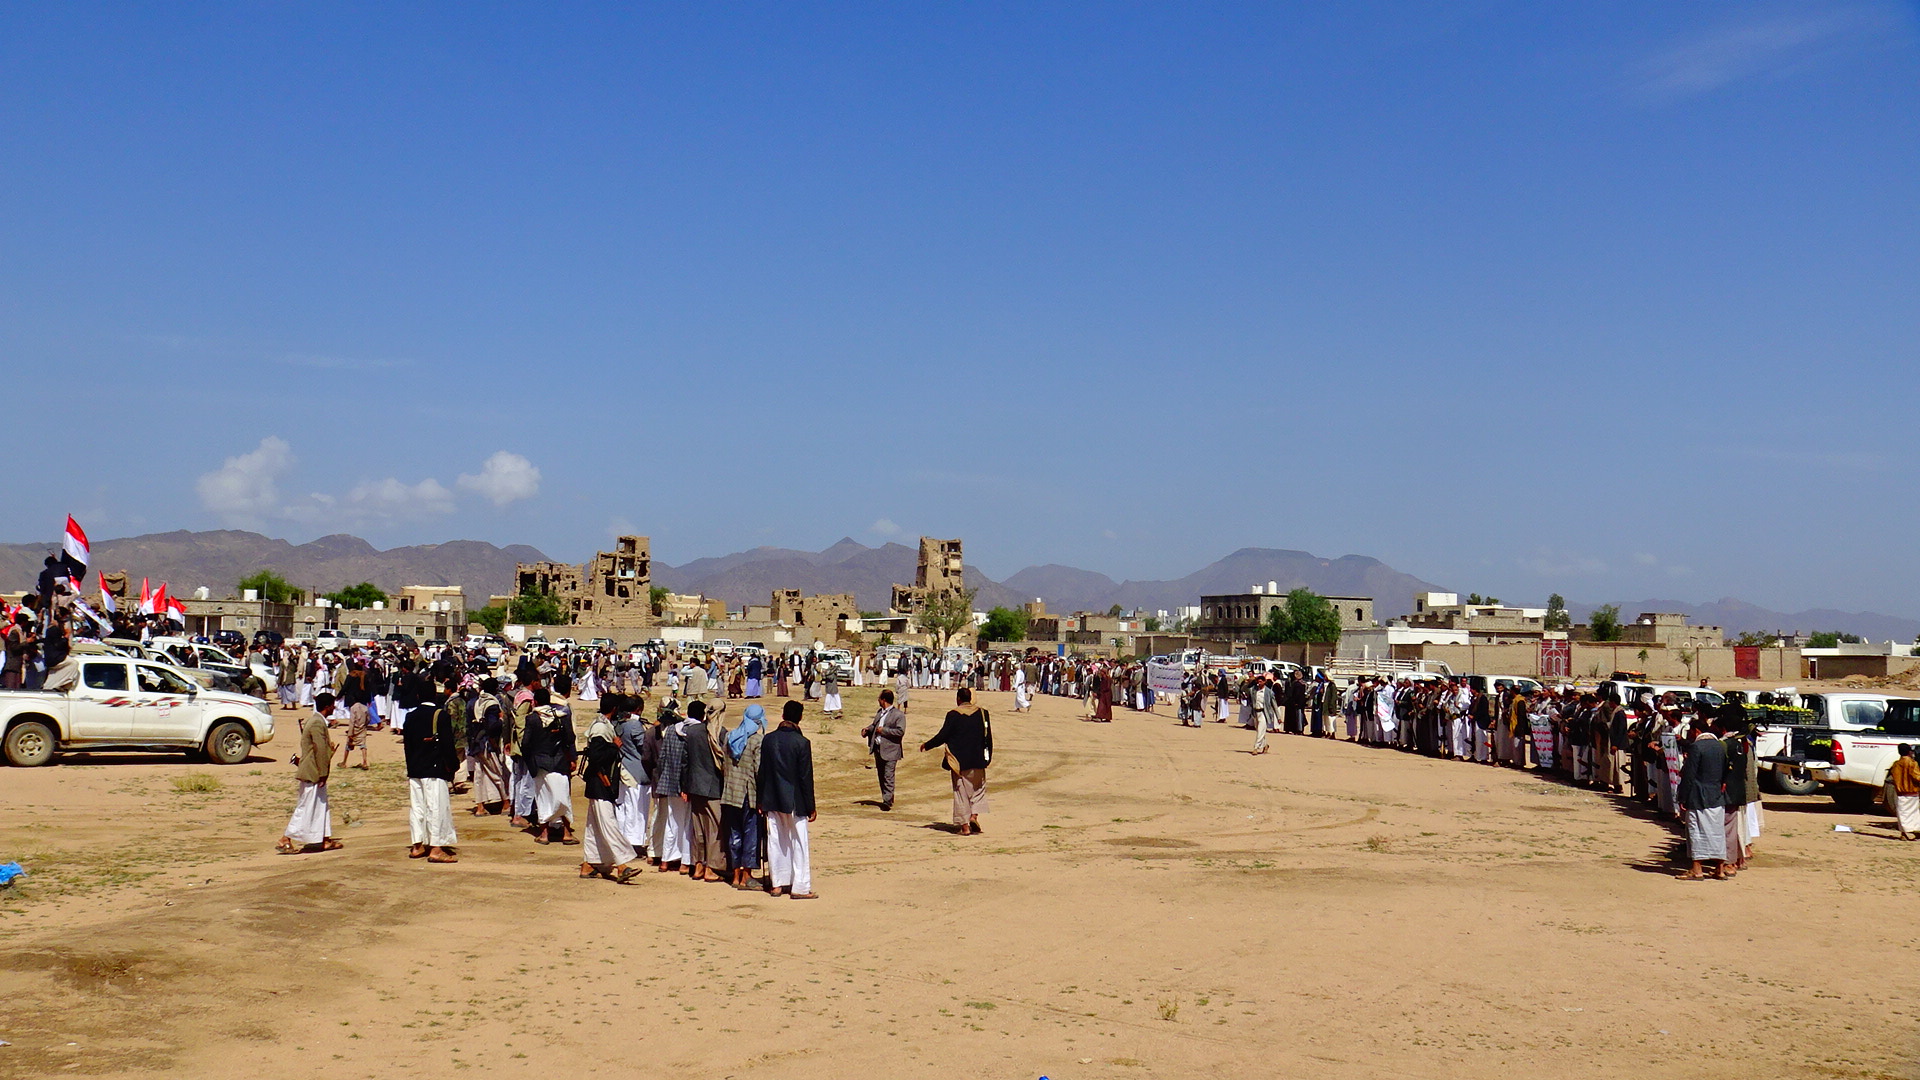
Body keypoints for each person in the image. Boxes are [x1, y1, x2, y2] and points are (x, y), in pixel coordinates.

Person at [759, 699, 816, 899]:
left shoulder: (768, 739)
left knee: (776, 841)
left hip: (772, 798)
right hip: (794, 800)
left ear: (783, 715)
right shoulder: (802, 743)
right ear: (800, 718)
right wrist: (810, 806)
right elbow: (805, 777)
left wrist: (761, 800)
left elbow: (762, 771)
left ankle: (777, 884)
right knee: (799, 842)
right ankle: (800, 887)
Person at [578, 711, 641, 882]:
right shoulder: (600, 729)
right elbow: (596, 758)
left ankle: (589, 865)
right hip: (600, 787)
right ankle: (622, 865)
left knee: (594, 829)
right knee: (609, 825)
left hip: (600, 787)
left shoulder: (604, 727)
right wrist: (614, 747)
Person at [402, 675, 459, 863]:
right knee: (436, 807)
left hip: (415, 769)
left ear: (418, 696)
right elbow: (448, 745)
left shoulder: (410, 717)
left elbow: (407, 746)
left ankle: (417, 846)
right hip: (434, 769)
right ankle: (436, 848)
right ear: (435, 695)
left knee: (417, 808)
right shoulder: (440, 715)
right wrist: (453, 765)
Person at [278, 691, 343, 854]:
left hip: (314, 770)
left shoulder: (317, 721)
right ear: (327, 707)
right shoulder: (317, 723)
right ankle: (285, 839)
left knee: (321, 806)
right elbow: (319, 749)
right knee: (306, 806)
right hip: (313, 771)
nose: (334, 708)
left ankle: (325, 839)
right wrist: (323, 772)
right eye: (332, 705)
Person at [922, 687, 992, 836]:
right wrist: (987, 758)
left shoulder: (953, 715)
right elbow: (988, 737)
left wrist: (927, 745)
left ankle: (965, 827)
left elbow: (943, 736)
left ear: (958, 699)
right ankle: (974, 816)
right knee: (978, 790)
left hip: (958, 762)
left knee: (961, 793)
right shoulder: (983, 713)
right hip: (978, 759)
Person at [522, 688, 577, 845]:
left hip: (540, 764)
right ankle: (566, 833)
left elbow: (525, 743)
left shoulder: (532, 719)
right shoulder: (561, 716)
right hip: (560, 762)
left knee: (543, 798)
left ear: (535, 702)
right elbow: (570, 738)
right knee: (563, 797)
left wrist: (530, 760)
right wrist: (571, 758)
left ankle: (544, 834)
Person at [721, 703, 766, 890]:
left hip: (730, 792)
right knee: (751, 834)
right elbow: (759, 770)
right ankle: (746, 875)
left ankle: (735, 874)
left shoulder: (730, 736)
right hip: (749, 794)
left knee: (734, 834)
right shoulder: (757, 740)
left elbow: (723, 764)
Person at [681, 700, 727, 883]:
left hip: (694, 785)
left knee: (698, 829)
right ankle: (711, 868)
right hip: (714, 787)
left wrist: (685, 786)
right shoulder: (721, 733)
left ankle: (698, 865)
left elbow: (685, 762)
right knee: (715, 829)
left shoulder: (692, 732)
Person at [1678, 724, 1729, 880]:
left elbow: (1689, 774)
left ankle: (1697, 869)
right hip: (1717, 796)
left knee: (1696, 832)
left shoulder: (1696, 747)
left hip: (1698, 796)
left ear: (1697, 731)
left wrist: (1682, 797)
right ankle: (1720, 869)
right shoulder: (1720, 746)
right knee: (1717, 833)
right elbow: (1726, 770)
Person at [861, 689, 907, 810]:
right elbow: (874, 725)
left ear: (884, 700)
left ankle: (887, 801)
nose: (878, 700)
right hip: (878, 749)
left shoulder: (898, 715)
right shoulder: (880, 712)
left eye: (879, 698)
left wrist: (884, 731)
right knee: (881, 775)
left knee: (888, 776)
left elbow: (900, 731)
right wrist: (867, 730)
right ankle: (887, 797)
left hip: (891, 750)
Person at [1891, 744, 1920, 842]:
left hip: (1900, 793)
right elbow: (1917, 777)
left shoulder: (1896, 764)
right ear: (1909, 752)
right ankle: (1915, 832)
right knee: (1914, 814)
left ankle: (1904, 833)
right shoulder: (1912, 763)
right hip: (1912, 792)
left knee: (1902, 814)